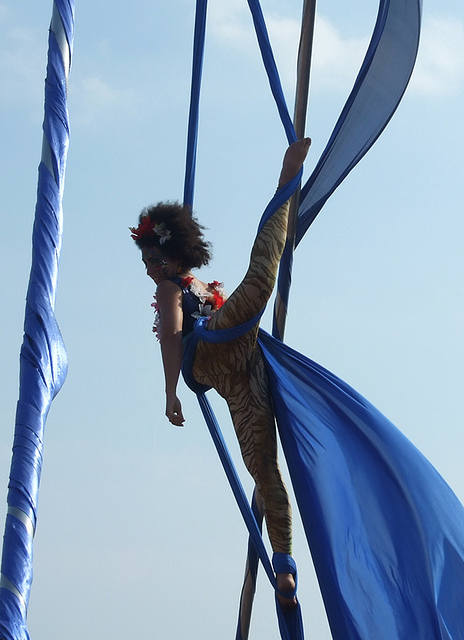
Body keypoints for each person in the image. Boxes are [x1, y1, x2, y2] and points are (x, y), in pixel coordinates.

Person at [131, 138, 311, 610]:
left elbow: (172, 335)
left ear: (176, 256)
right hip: (215, 358)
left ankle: (285, 564)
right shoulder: (172, 288)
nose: (151, 270)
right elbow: (172, 336)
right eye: (146, 262)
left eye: (156, 260)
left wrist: (172, 393)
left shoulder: (185, 286)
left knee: (262, 465)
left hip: (236, 365)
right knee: (257, 285)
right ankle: (286, 185)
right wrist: (171, 392)